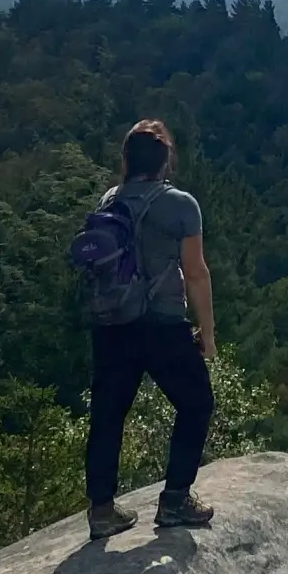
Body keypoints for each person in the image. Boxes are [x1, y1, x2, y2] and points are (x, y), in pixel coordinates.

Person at [85, 119, 218, 540]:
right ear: (165, 162)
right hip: (162, 324)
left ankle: (102, 510)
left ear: (126, 160)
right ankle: (175, 499)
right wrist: (207, 333)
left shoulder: (110, 200)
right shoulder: (180, 205)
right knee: (196, 402)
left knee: (107, 416)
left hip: (112, 324)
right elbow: (195, 273)